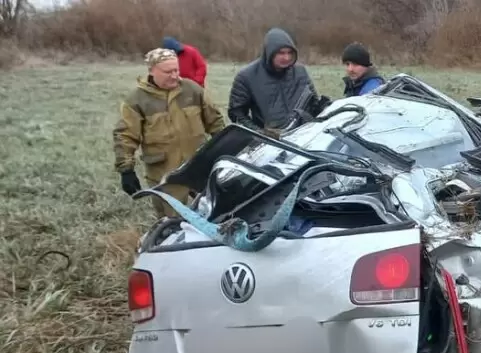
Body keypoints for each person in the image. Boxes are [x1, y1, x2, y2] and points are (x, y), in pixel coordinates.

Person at [113, 48, 225, 218]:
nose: (174, 75)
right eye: (167, 72)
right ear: (151, 71)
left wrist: (223, 144)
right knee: (172, 224)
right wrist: (126, 170)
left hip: (199, 167)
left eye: (176, 70)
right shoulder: (136, 100)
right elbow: (125, 136)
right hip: (165, 174)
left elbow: (215, 121)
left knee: (216, 214)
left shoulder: (192, 90)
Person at [228, 28, 327, 136]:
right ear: (270, 52)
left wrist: (323, 107)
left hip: (303, 136)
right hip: (270, 142)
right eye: (281, 53)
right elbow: (237, 113)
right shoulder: (247, 76)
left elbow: (313, 102)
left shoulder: (300, 72)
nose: (286, 57)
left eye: (290, 53)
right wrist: (258, 133)